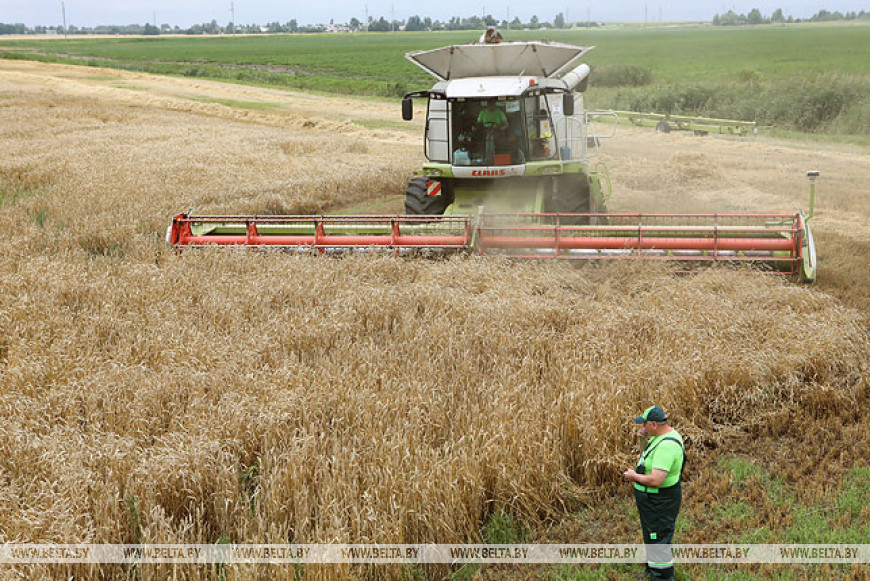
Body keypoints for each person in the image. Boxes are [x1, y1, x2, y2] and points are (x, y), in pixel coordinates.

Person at [622, 405, 684, 581]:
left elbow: (656, 479)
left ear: (654, 424)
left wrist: (634, 476)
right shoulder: (661, 436)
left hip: (659, 500)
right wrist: (643, 440)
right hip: (652, 500)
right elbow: (647, 458)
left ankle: (662, 577)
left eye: (645, 424)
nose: (642, 427)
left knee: (658, 540)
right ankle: (652, 571)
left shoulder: (666, 447)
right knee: (652, 535)